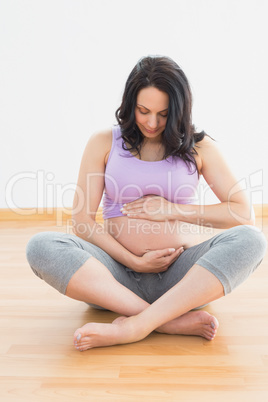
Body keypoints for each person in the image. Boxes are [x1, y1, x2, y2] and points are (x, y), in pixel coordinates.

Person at [26, 55, 267, 351]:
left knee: (252, 240)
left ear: (179, 110)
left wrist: (173, 210)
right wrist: (134, 261)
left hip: (182, 280)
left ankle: (137, 324)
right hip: (114, 278)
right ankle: (166, 322)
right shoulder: (104, 142)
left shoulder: (199, 147)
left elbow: (243, 214)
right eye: (143, 111)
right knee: (41, 246)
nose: (152, 123)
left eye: (163, 114)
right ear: (130, 105)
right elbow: (82, 222)